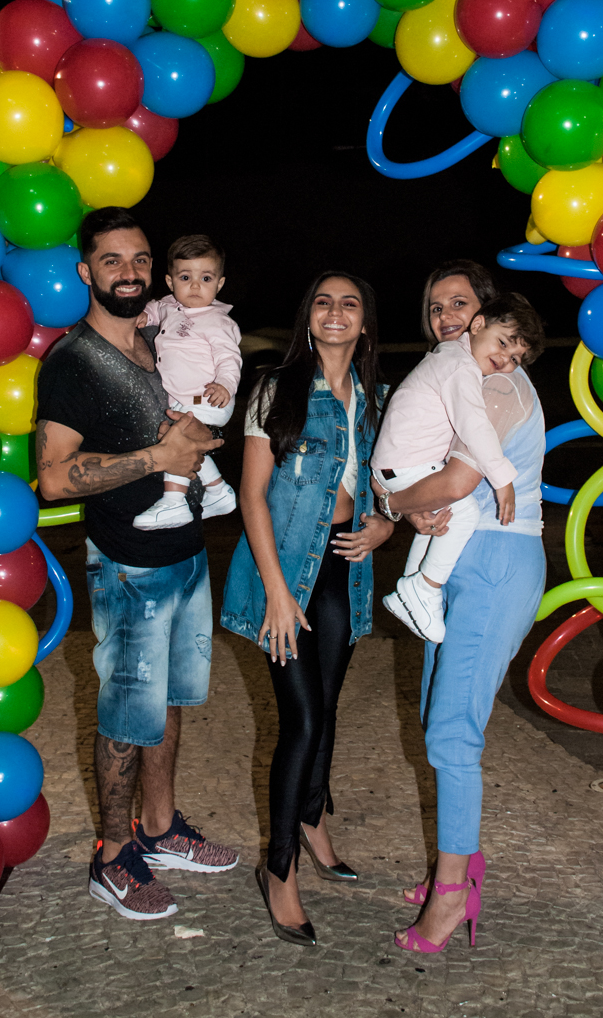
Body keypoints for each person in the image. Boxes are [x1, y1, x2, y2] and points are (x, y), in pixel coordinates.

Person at [36, 206, 239, 923]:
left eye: (140, 259)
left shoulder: (163, 334)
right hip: (127, 568)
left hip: (186, 555)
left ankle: (158, 831)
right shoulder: (73, 360)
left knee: (171, 706)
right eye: (113, 261)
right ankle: (111, 858)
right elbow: (55, 478)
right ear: (86, 272)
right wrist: (159, 458)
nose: (129, 273)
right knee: (126, 716)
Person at [374, 260, 546, 956]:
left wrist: (391, 503)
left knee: (451, 734)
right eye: (434, 303)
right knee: (434, 718)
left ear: (484, 313)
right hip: (468, 567)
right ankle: (460, 866)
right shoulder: (460, 379)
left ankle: (451, 897)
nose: (445, 314)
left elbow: (454, 479)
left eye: (459, 302)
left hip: (498, 564)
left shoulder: (495, 382)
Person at [221, 272, 392, 946]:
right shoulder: (276, 389)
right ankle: (279, 870)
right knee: (303, 718)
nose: (334, 311)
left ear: (365, 323)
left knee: (329, 702)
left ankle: (314, 818)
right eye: (321, 300)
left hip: (344, 573)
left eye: (350, 302)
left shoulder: (379, 400)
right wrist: (277, 592)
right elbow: (252, 495)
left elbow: (391, 487)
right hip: (284, 576)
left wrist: (385, 525)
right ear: (307, 316)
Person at [373, 293, 545, 641]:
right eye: (502, 343)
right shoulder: (460, 367)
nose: (504, 359)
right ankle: (424, 588)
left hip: (401, 466)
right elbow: (474, 425)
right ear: (478, 325)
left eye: (515, 357)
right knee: (462, 510)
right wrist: (502, 479)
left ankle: (414, 591)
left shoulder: (453, 359)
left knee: (441, 520)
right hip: (407, 464)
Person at [134, 233, 241, 531]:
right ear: (170, 282)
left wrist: (225, 385)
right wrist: (145, 314)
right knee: (189, 443)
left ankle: (174, 502)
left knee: (177, 441)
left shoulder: (217, 321)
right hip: (184, 399)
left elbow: (229, 359)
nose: (195, 286)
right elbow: (156, 308)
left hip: (208, 397)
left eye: (206, 278)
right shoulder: (169, 305)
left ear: (219, 284)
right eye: (185, 277)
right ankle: (218, 492)